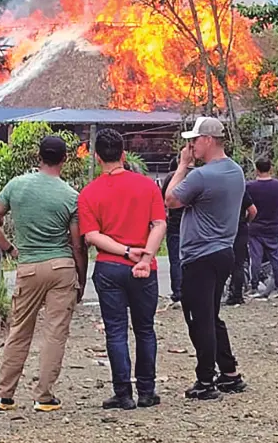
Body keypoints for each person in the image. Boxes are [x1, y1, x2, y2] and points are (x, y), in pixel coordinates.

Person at [0, 136, 86, 414]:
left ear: (38, 156)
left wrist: (9, 248)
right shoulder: (71, 196)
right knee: (55, 333)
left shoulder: (17, 185)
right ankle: (44, 396)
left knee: (19, 331)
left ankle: (4, 395)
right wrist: (82, 275)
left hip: (27, 266)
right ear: (65, 159)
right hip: (62, 266)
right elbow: (77, 243)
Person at [80, 129, 167, 410]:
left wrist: (124, 251)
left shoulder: (89, 193)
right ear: (124, 155)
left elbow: (92, 236)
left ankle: (123, 392)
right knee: (145, 329)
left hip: (109, 267)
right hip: (144, 268)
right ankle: (146, 389)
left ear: (96, 157)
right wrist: (144, 257)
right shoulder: (147, 186)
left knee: (115, 331)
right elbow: (159, 224)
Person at [165, 116, 247, 400]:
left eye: (195, 140)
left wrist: (182, 166)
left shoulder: (201, 175)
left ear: (209, 140)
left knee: (199, 319)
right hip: (224, 251)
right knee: (211, 316)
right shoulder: (236, 171)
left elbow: (171, 199)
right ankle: (229, 372)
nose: (191, 146)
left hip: (200, 255)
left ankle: (205, 380)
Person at [246, 158, 278, 297]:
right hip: (273, 226)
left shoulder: (250, 186)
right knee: (275, 257)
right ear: (271, 169)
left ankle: (254, 286)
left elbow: (247, 206)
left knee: (255, 258)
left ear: (256, 169)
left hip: (255, 226)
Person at [160, 156, 192, 304]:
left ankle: (178, 293)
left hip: (175, 222)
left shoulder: (171, 178)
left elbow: (163, 198)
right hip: (193, 222)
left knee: (175, 259)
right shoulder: (198, 175)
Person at [225, 189, 257, 305]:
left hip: (223, 229)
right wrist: (246, 222)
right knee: (238, 264)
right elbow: (253, 211)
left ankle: (218, 293)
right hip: (240, 228)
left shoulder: (220, 190)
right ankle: (237, 295)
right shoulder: (241, 191)